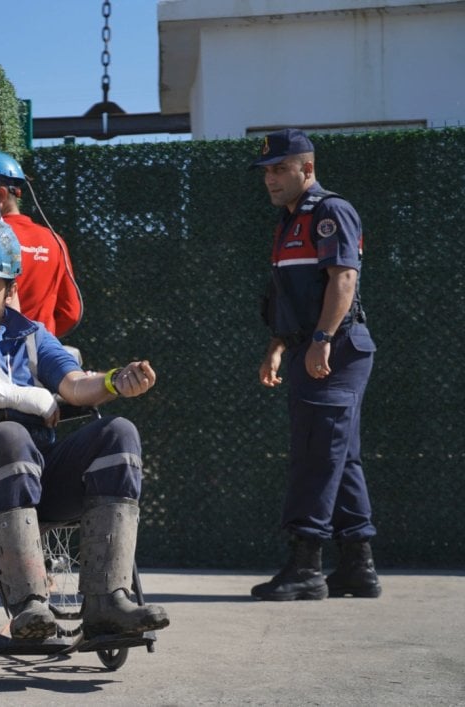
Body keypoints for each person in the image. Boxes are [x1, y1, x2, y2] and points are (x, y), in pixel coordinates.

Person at [0, 219, 170, 641]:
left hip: (38, 478)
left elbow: (75, 386)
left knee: (119, 433)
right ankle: (29, 607)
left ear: (11, 290)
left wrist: (116, 381)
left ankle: (107, 602)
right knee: (10, 436)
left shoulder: (32, 337)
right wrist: (17, 398)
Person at [250, 128, 381, 601]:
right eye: (266, 172)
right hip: (313, 346)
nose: (271, 179)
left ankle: (306, 567)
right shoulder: (289, 220)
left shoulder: (330, 211)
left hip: (336, 349)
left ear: (308, 169)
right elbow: (291, 296)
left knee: (315, 453)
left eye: (280, 169)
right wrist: (279, 346)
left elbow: (343, 280)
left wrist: (322, 340)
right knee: (340, 457)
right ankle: (357, 568)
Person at [0, 151, 83, 336]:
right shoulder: (54, 241)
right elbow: (71, 313)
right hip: (40, 356)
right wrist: (41, 337)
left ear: (1, 196)